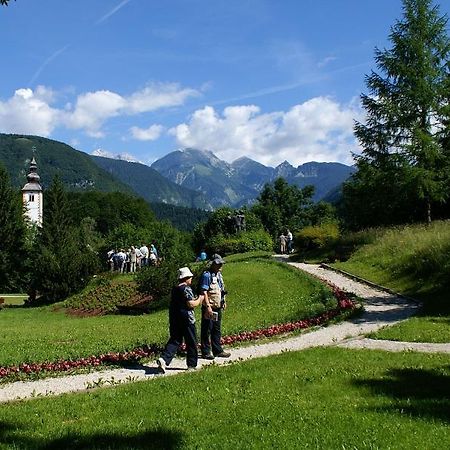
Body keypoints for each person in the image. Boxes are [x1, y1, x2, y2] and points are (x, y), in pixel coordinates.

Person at [157, 267, 203, 373]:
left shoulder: (175, 289)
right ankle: (191, 365)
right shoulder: (186, 288)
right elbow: (190, 303)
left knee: (175, 339)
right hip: (187, 319)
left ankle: (164, 359)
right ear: (186, 278)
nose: (191, 279)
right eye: (190, 277)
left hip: (175, 318)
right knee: (191, 341)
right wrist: (199, 299)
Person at [200, 254, 231, 359]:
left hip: (217, 306)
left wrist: (223, 301)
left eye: (221, 263)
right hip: (209, 307)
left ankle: (218, 350)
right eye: (218, 264)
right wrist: (208, 306)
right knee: (207, 329)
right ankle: (206, 352)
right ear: (212, 264)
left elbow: (221, 290)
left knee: (216, 329)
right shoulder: (206, 275)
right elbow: (204, 292)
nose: (220, 266)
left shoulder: (219, 275)